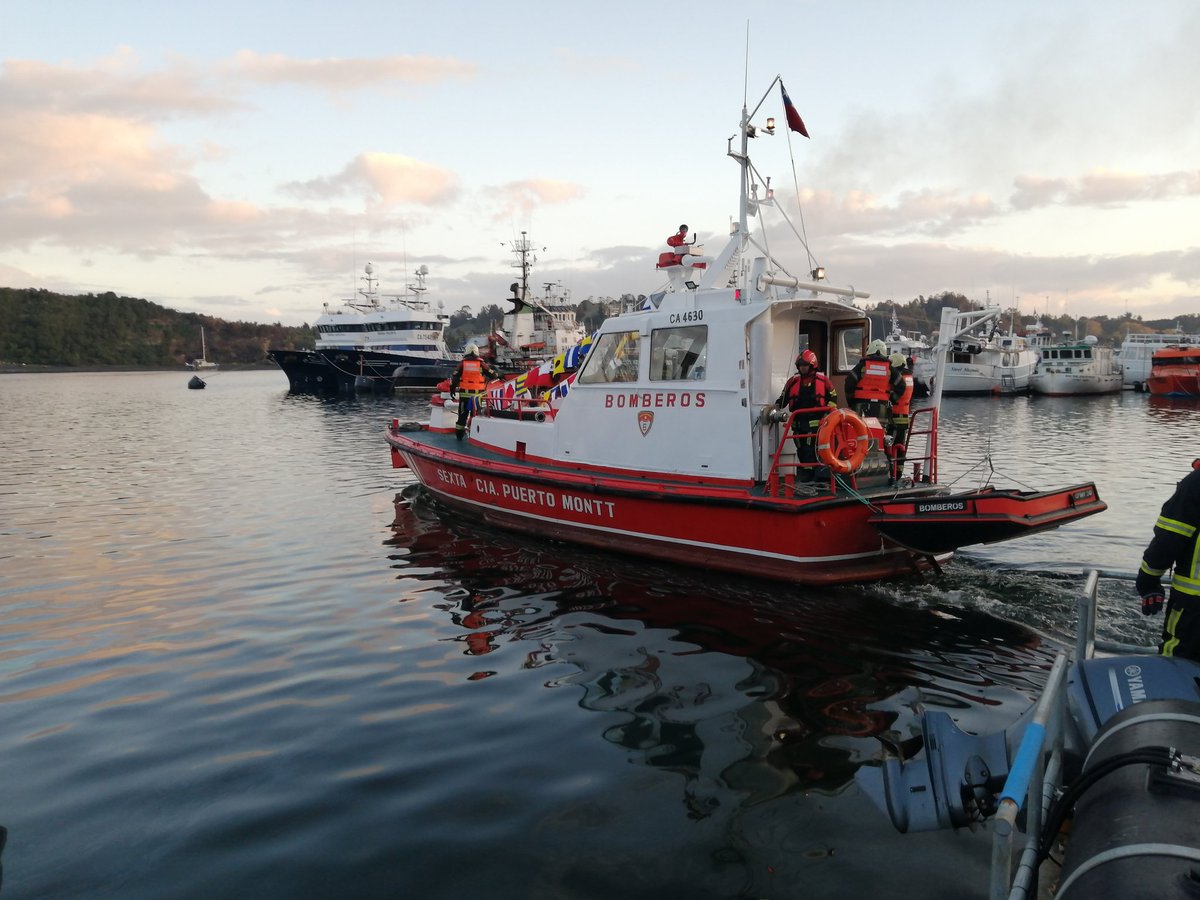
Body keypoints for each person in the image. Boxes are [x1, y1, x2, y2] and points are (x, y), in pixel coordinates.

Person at [1136, 460, 1200, 661]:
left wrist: (1148, 582)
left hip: (1194, 607)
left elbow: (1170, 537)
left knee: (1177, 667)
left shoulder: (1196, 483)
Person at [773, 348, 838, 482]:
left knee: (810, 450)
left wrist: (827, 415)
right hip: (797, 423)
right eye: (801, 365)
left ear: (812, 365)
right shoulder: (793, 381)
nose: (803, 368)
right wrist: (777, 406)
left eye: (805, 365)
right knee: (801, 449)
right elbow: (783, 398)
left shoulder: (823, 381)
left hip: (816, 423)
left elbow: (833, 398)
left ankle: (811, 477)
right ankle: (806, 473)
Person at [449, 344, 499, 441]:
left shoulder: (462, 364)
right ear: (477, 352)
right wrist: (494, 374)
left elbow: (455, 378)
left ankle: (459, 437)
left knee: (462, 416)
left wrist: (452, 389)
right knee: (475, 415)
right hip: (477, 396)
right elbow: (493, 375)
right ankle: (474, 436)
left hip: (464, 395)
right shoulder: (481, 364)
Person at [844, 339, 904, 420]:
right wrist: (891, 399)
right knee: (879, 430)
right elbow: (902, 385)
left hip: (860, 406)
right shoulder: (890, 369)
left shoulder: (862, 366)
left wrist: (851, 401)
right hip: (882, 408)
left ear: (869, 351)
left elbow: (849, 383)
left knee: (859, 430)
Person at [887, 352, 915, 483]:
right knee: (900, 448)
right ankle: (897, 474)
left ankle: (890, 474)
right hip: (904, 417)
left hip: (894, 417)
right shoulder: (909, 377)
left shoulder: (898, 379)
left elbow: (891, 394)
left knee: (889, 446)